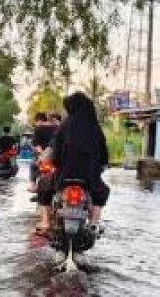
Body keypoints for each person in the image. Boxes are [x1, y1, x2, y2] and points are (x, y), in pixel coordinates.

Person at [36, 94, 109, 233]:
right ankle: (94, 222)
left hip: (65, 175)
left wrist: (46, 160)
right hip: (89, 177)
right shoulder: (95, 126)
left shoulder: (66, 124)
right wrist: (100, 166)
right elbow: (103, 153)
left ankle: (45, 221)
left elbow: (54, 149)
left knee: (43, 185)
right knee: (101, 193)